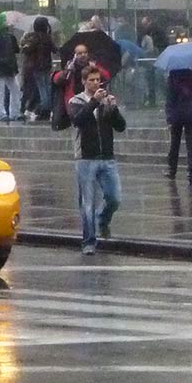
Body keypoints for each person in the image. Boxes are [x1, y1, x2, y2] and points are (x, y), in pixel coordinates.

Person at [67, 64, 125, 254]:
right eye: (91, 80)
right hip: (86, 158)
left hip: (107, 157)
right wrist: (93, 101)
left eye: (97, 80)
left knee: (114, 197)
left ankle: (103, 218)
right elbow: (78, 120)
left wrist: (113, 109)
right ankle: (89, 241)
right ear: (84, 82)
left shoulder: (106, 100)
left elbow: (120, 126)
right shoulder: (76, 101)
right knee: (88, 202)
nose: (95, 83)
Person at [163, 66, 192, 186]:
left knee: (175, 143)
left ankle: (172, 169)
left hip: (176, 114)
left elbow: (169, 97)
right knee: (191, 143)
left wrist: (169, 115)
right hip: (191, 113)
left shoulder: (172, 76)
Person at [20, 18, 56, 121]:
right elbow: (54, 49)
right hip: (46, 66)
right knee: (46, 87)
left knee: (41, 88)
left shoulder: (34, 37)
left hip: (36, 66)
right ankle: (47, 108)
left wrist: (24, 41)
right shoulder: (48, 38)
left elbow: (25, 50)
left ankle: (45, 108)